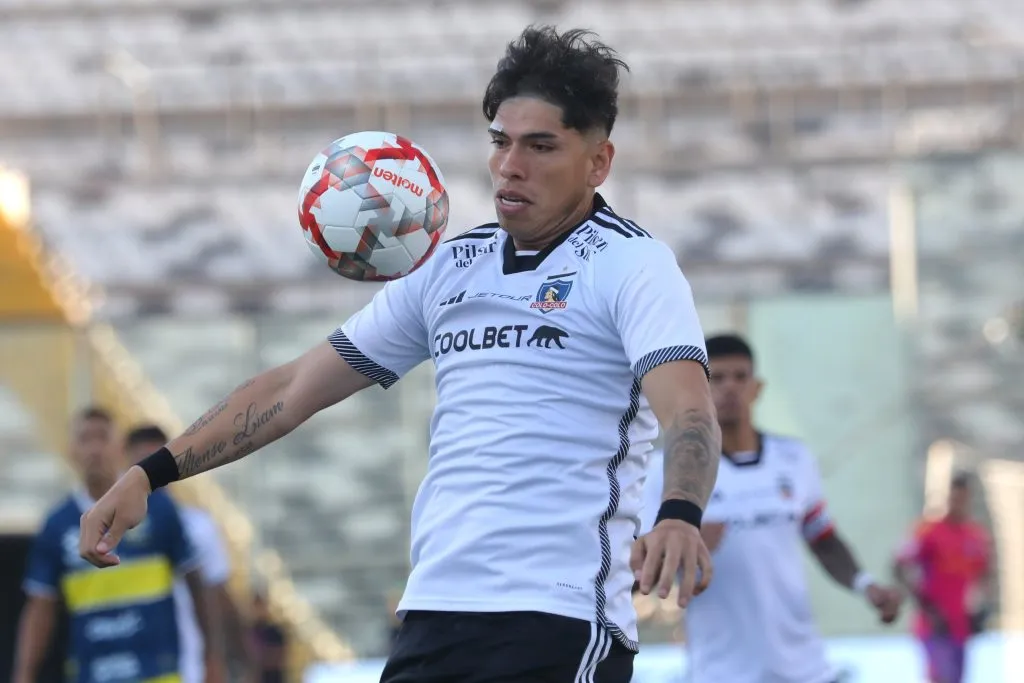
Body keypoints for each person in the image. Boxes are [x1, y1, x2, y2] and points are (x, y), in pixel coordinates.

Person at [77, 26, 722, 683]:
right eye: (500, 142)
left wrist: (679, 514)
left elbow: (690, 412)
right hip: (435, 615)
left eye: (540, 145)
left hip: (557, 619)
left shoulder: (632, 264)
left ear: (598, 162)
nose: (510, 165)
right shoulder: (449, 267)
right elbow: (292, 388)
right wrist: (148, 474)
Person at [640, 334, 904, 683]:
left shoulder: (794, 458)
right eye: (716, 378)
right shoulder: (667, 472)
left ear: (757, 387)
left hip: (806, 669)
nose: (730, 388)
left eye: (740, 376)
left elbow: (822, 538)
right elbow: (635, 566)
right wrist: (683, 542)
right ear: (698, 390)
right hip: (721, 670)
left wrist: (866, 585)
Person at [12, 406, 206, 683]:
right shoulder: (57, 525)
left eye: (102, 437)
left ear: (119, 448)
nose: (94, 449)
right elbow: (40, 609)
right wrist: (23, 675)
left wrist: (213, 658)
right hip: (94, 674)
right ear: (71, 451)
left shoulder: (158, 508)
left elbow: (197, 585)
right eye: (85, 439)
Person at [125, 424, 253, 683]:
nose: (152, 474)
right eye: (143, 464)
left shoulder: (197, 526)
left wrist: (236, 660)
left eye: (157, 463)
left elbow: (218, 595)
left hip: (185, 664)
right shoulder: (114, 529)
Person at [893, 473, 992, 683]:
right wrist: (925, 605)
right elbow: (899, 566)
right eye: (954, 498)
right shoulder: (928, 531)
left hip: (960, 626)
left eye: (963, 498)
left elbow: (983, 574)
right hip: (934, 626)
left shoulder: (975, 535)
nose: (958, 504)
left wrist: (980, 609)